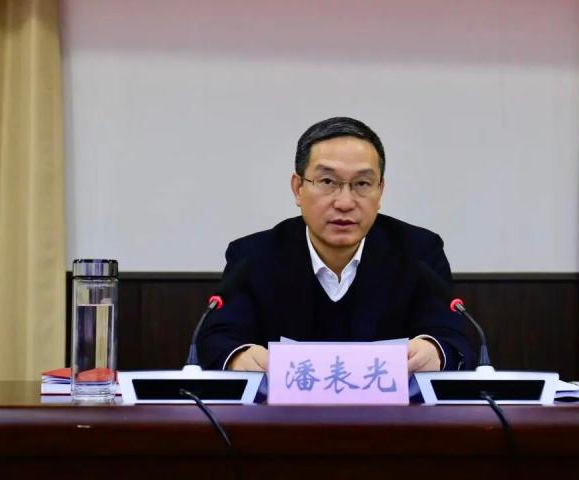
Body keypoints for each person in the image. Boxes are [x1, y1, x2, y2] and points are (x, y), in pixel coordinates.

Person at [198, 117, 474, 372]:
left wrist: (435, 350)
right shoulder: (254, 256)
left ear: (380, 190)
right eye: (327, 181)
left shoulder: (419, 252)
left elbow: (454, 339)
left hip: (393, 409)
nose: (344, 202)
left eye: (362, 183)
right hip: (280, 410)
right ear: (298, 188)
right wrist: (239, 356)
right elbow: (217, 339)